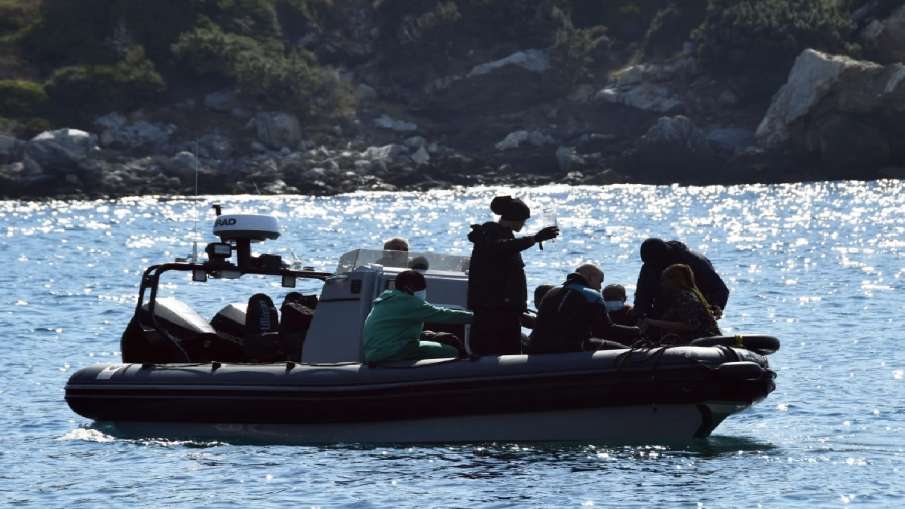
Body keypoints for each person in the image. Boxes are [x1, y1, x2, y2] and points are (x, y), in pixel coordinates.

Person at [467, 196, 559, 355]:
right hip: (495, 309)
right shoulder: (490, 233)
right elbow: (501, 248)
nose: (523, 224)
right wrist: (535, 238)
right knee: (502, 351)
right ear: (514, 219)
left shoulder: (502, 235)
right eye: (523, 220)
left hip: (505, 308)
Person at [526, 264, 640, 354]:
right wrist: (637, 330)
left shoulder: (552, 292)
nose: (600, 287)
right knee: (627, 351)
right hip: (569, 348)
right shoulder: (591, 295)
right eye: (600, 281)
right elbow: (605, 329)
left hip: (536, 347)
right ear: (590, 277)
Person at [363, 270, 472, 364]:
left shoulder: (387, 299)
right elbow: (444, 315)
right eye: (420, 288)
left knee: (431, 336)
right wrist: (476, 317)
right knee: (452, 351)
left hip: (374, 353)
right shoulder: (408, 302)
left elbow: (394, 330)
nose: (423, 291)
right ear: (408, 288)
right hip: (392, 352)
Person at [633, 238, 729, 320]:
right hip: (664, 312)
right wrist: (641, 318)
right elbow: (642, 296)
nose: (653, 267)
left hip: (694, 309)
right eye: (649, 264)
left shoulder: (694, 261)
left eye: (655, 264)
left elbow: (720, 289)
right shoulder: (649, 265)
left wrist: (716, 305)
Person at [639, 264, 721, 344]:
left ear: (674, 280)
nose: (662, 284)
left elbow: (691, 325)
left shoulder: (684, 296)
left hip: (705, 340)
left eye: (664, 280)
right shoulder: (689, 294)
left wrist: (651, 322)